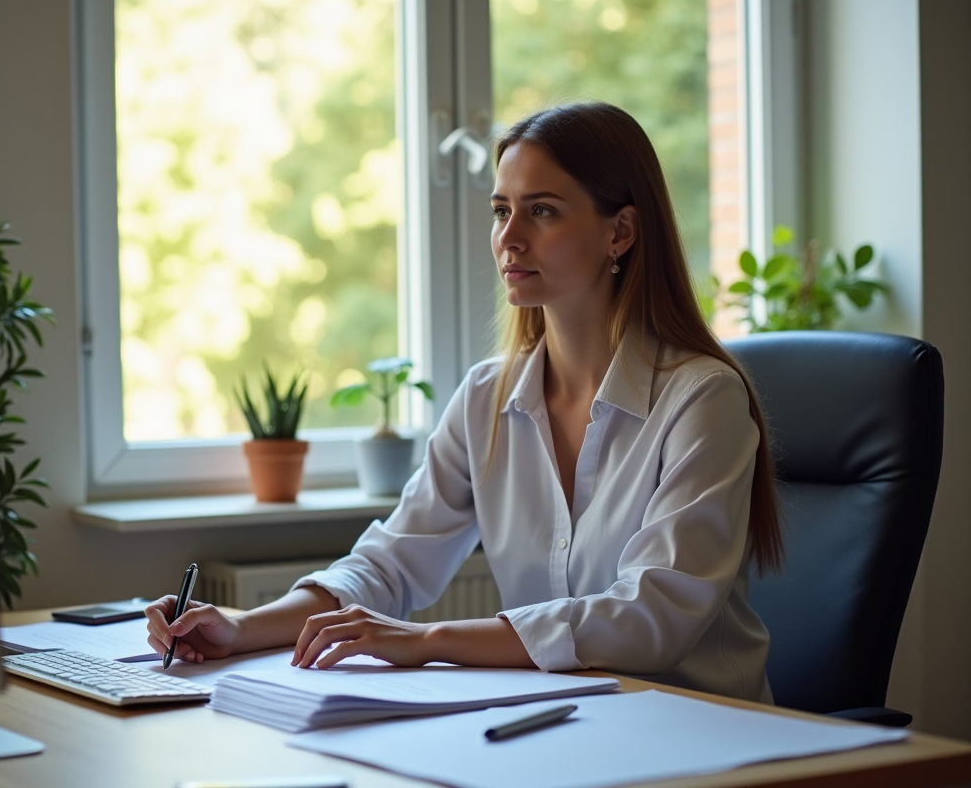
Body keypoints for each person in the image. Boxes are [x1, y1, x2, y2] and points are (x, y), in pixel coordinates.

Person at [146, 101, 783, 703]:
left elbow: (650, 618)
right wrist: (243, 628)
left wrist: (425, 643)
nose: (510, 238)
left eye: (543, 211)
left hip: (707, 733)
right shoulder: (487, 397)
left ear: (621, 231)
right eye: (501, 210)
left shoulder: (702, 399)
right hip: (566, 726)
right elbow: (390, 564)